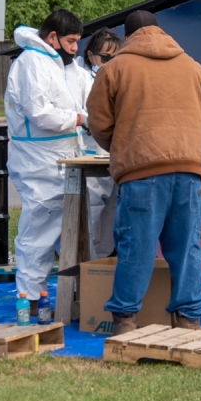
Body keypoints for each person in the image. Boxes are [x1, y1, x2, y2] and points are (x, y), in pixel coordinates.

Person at [87, 10, 201, 334]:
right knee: (187, 249)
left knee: (137, 248)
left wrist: (124, 144)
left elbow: (99, 123)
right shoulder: (193, 66)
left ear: (126, 38)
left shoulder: (114, 69)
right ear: (162, 32)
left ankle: (125, 321)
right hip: (190, 170)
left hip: (141, 171)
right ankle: (189, 320)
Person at [5, 9, 86, 311]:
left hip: (62, 158)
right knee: (38, 233)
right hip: (38, 162)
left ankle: (66, 296)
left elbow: (84, 97)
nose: (75, 48)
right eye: (71, 41)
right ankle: (29, 299)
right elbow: (39, 113)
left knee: (67, 232)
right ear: (53, 37)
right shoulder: (32, 62)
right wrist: (80, 119)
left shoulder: (62, 64)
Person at [77, 28, 123, 259]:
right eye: (105, 58)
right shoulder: (81, 79)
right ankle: (90, 262)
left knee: (111, 210)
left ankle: (103, 261)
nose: (109, 64)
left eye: (115, 58)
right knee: (93, 208)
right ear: (90, 55)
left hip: (113, 154)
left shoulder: (118, 78)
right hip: (91, 152)